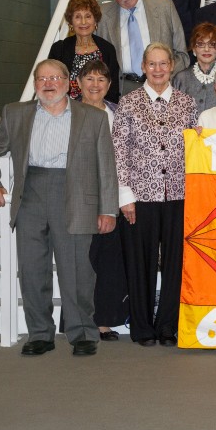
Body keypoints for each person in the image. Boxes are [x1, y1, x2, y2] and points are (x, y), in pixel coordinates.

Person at [0, 59, 118, 357]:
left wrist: (108, 209)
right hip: (30, 195)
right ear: (35, 83)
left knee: (78, 271)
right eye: (42, 78)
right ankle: (40, 334)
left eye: (55, 77)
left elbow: (107, 167)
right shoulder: (15, 114)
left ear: (68, 82)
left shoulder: (92, 118)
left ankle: (82, 333)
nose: (48, 83)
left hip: (76, 196)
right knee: (32, 269)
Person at [112, 43, 198, 347]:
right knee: (141, 263)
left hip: (178, 195)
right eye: (152, 64)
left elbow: (196, 148)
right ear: (144, 67)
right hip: (140, 196)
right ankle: (143, 328)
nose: (158, 69)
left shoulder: (187, 104)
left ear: (172, 66)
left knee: (175, 264)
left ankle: (167, 327)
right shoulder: (128, 102)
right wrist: (125, 195)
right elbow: (118, 151)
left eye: (163, 64)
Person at [76, 59, 128, 340]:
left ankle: (104, 321)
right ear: (79, 83)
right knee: (82, 261)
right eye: (89, 79)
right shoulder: (68, 113)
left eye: (101, 80)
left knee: (108, 262)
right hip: (78, 198)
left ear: (109, 85)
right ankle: (79, 321)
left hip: (111, 196)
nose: (95, 85)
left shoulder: (117, 113)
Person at [98, 0, 190, 95]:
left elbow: (182, 55)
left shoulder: (165, 8)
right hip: (121, 89)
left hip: (161, 87)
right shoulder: (102, 16)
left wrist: (162, 75)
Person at [47, 0, 120, 103]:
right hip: (68, 112)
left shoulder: (107, 49)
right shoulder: (59, 49)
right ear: (71, 22)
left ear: (95, 20)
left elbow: (113, 88)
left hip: (99, 111)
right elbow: (52, 84)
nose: (83, 22)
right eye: (78, 17)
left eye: (88, 16)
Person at [172, 22, 216, 115]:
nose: (206, 49)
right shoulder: (181, 78)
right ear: (194, 48)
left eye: (212, 44)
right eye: (201, 44)